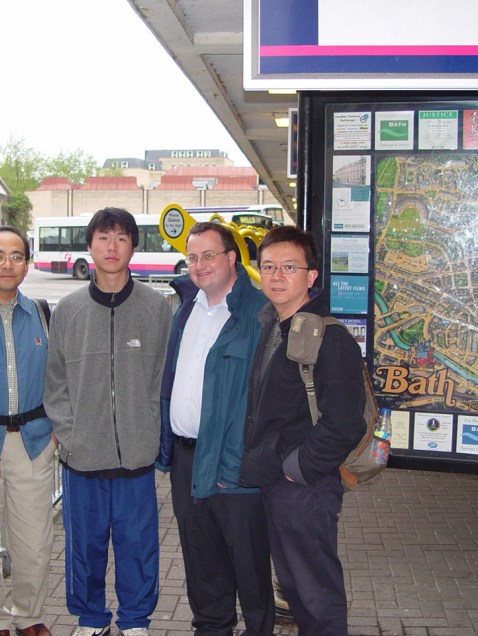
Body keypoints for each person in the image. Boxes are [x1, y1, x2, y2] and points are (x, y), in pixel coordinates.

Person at [44, 207, 172, 636]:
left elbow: (163, 379)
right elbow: (55, 381)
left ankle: (135, 619)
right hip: (83, 455)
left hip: (136, 454)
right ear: (90, 245)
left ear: (133, 246)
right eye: (103, 237)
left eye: (121, 238)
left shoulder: (155, 307)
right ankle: (91, 618)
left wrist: (151, 431)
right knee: (84, 544)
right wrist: (69, 434)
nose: (112, 246)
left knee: (139, 544)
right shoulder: (68, 310)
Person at [240, 226, 367, 636]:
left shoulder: (329, 338)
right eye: (268, 267)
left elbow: (346, 422)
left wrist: (298, 467)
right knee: (296, 589)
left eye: (288, 267)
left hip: (305, 487)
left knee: (316, 594)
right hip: (277, 481)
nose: (276, 276)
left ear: (311, 276)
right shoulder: (272, 326)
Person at [157, 222, 274, 635]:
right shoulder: (186, 308)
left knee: (249, 568)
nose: (199, 265)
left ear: (232, 258)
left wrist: (239, 461)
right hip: (188, 459)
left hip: (234, 463)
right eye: (192, 257)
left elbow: (265, 401)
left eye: (209, 255)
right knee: (202, 565)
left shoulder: (259, 313)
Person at [0, 226, 56, 636]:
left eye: (17, 256)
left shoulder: (41, 313)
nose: (8, 264)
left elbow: (60, 377)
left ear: (27, 263)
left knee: (34, 542)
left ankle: (29, 616)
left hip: (33, 442)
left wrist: (56, 428)